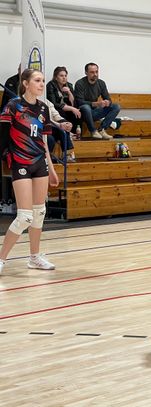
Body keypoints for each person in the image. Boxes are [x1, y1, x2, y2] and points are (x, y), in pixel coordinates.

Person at [0, 69, 60, 275]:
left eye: (43, 80)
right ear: (25, 83)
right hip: (20, 163)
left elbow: (44, 142)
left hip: (39, 163)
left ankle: (34, 257)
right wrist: (7, 158)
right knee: (24, 216)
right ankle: (2, 259)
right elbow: (2, 137)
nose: (42, 84)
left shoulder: (43, 108)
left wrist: (51, 169)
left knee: (39, 213)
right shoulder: (13, 106)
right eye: (37, 80)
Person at [74, 62, 120, 140]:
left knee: (116, 106)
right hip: (83, 113)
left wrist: (107, 102)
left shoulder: (101, 83)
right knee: (85, 107)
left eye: (96, 72)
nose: (95, 74)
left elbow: (108, 99)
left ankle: (102, 129)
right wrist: (97, 104)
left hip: (95, 112)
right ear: (86, 73)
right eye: (92, 72)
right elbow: (79, 102)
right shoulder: (80, 83)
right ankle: (93, 131)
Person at [46, 66, 81, 137]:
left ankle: (76, 133)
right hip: (57, 108)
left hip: (67, 108)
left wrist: (69, 92)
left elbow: (73, 103)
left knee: (77, 112)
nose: (64, 78)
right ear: (56, 77)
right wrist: (71, 108)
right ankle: (67, 133)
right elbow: (54, 103)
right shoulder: (51, 85)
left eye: (65, 76)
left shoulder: (69, 85)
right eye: (61, 76)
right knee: (63, 112)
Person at [44, 99, 76, 163]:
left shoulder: (48, 102)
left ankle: (67, 154)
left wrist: (66, 123)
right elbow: (45, 119)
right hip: (41, 128)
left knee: (64, 128)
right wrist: (59, 125)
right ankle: (48, 158)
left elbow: (56, 116)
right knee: (51, 138)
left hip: (51, 127)